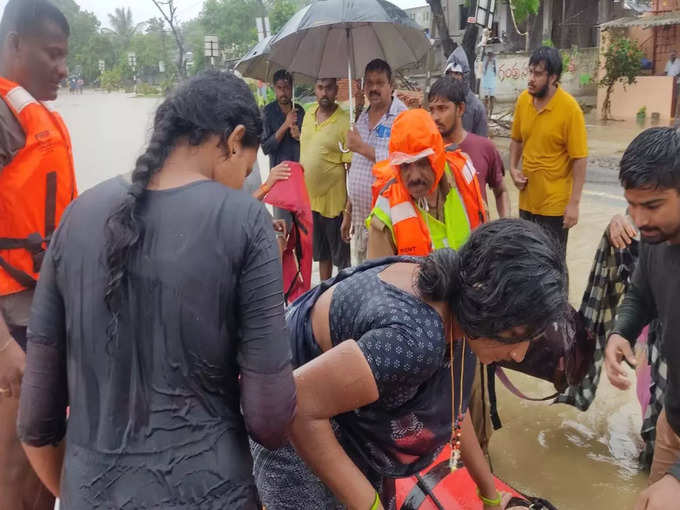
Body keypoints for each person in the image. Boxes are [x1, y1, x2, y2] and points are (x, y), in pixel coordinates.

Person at [16, 70, 296, 508]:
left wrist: (82, 494)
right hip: (211, 494)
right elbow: (270, 418)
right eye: (245, 169)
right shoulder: (245, 221)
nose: (243, 184)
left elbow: (35, 421)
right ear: (234, 138)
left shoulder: (77, 216)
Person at [251, 218, 569, 510]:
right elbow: (300, 405)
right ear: (488, 307)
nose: (519, 355)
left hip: (345, 400)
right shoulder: (413, 341)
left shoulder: (460, 301)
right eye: (516, 335)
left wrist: (489, 494)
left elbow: (454, 404)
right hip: (287, 402)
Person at [0, 1, 73, 508]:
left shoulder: (40, 119)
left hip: (46, 316)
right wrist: (2, 346)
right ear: (13, 44)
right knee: (16, 470)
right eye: (52, 54)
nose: (63, 68)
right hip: (13, 329)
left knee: (47, 461)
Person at [603, 127, 680, 510]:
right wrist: (622, 331)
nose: (639, 219)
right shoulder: (656, 239)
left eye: (652, 205)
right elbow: (641, 292)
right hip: (674, 422)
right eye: (631, 205)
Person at [366, 108, 486, 259]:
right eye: (405, 166)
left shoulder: (462, 174)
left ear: (438, 158)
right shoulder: (384, 216)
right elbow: (379, 280)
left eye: (423, 163)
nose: (415, 177)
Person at [509, 46, 588, 260]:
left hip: (554, 207)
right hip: (527, 201)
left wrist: (574, 204)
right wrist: (513, 169)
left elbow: (579, 159)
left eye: (538, 74)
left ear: (553, 77)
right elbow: (516, 140)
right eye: (530, 71)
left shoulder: (570, 110)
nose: (531, 78)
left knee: (552, 264)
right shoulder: (523, 101)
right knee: (526, 260)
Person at [345, 58, 407, 264]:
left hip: (387, 223)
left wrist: (360, 147)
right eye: (369, 83)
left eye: (379, 82)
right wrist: (348, 211)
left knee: (383, 279)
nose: (373, 88)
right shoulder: (363, 115)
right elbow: (357, 167)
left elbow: (399, 161)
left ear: (391, 86)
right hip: (361, 220)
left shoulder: (402, 117)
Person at [429, 76, 510, 219]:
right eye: (432, 110)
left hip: (479, 237)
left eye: (442, 108)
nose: (435, 117)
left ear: (460, 109)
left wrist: (506, 224)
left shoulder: (485, 147)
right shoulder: (427, 153)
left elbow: (501, 191)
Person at [300, 77, 352, 280]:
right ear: (315, 89)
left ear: (336, 90)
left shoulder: (344, 121)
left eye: (329, 88)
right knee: (323, 256)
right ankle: (324, 296)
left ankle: (343, 300)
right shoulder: (308, 114)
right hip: (311, 203)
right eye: (320, 87)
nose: (324, 93)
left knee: (342, 261)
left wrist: (348, 210)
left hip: (335, 205)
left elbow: (351, 168)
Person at [260, 69, 305, 226]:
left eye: (286, 88)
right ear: (274, 88)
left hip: (300, 178)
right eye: (279, 88)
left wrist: (299, 136)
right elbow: (266, 147)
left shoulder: (300, 111)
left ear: (292, 87)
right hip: (280, 180)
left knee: (301, 230)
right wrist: (285, 125)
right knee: (283, 227)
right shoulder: (267, 112)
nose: (283, 92)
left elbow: (308, 144)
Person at [444, 62, 488, 137]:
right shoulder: (440, 103)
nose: (452, 77)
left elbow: (481, 140)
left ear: (464, 76)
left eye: (457, 73)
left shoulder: (476, 107)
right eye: (449, 73)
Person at [481, 51, 497, 118]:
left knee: (492, 98)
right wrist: (487, 62)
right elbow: (483, 71)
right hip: (486, 82)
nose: (490, 56)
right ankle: (486, 114)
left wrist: (493, 64)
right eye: (489, 55)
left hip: (492, 81)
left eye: (492, 55)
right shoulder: (484, 60)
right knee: (486, 98)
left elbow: (496, 72)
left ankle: (491, 114)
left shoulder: (495, 61)